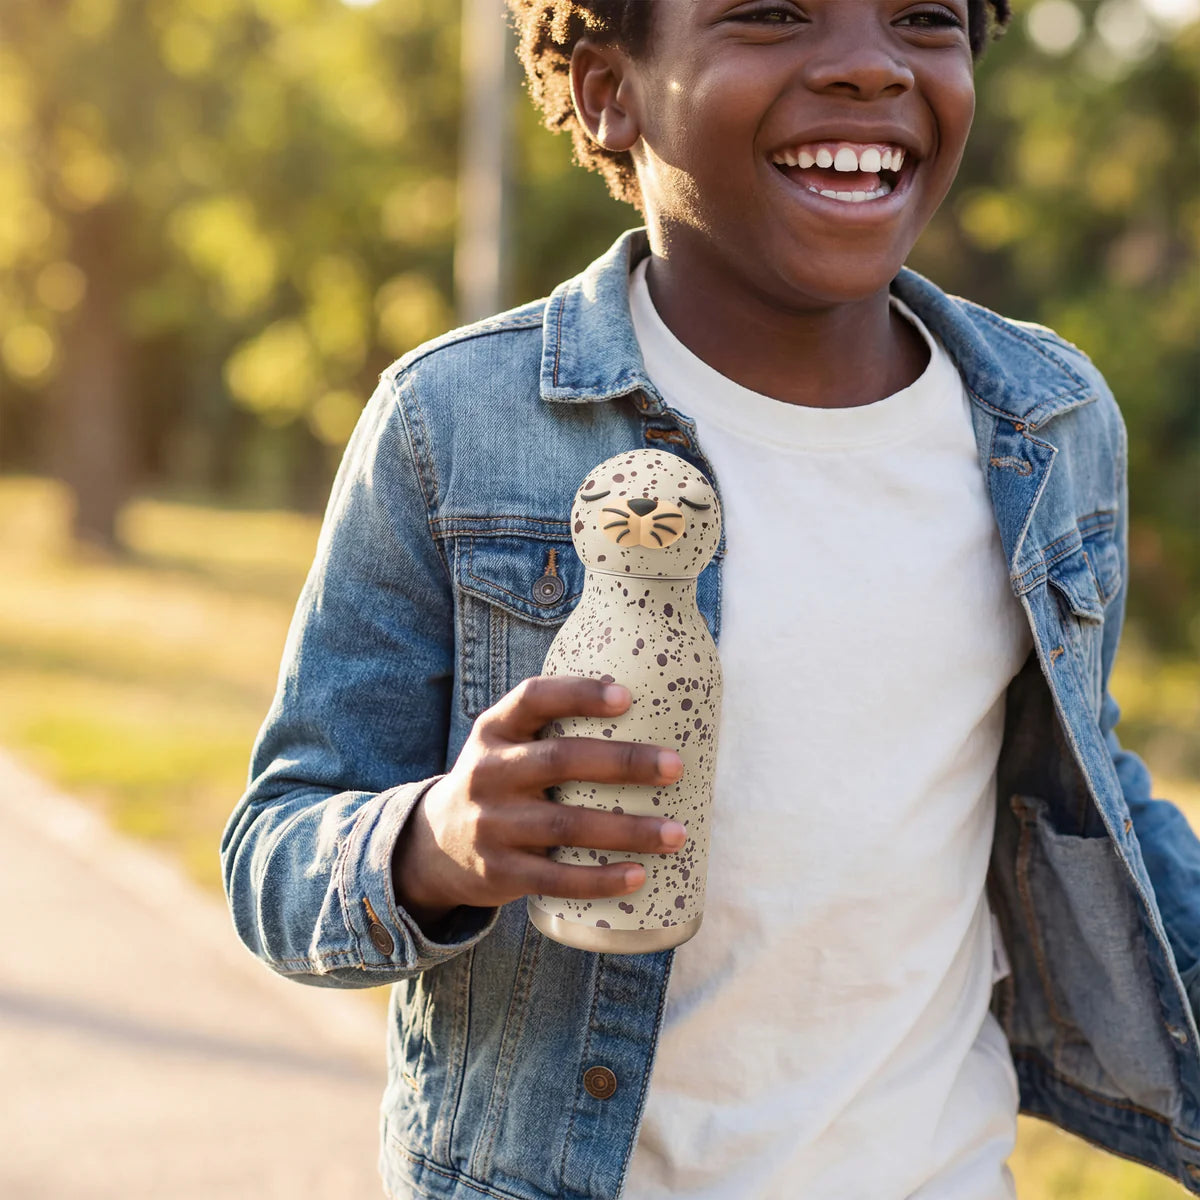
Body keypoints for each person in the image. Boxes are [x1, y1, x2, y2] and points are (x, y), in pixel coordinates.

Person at [220, 3, 1200, 1198]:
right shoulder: (452, 426)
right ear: (606, 93)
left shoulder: (1048, 423)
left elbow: (1087, 788)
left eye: (924, 19)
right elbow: (275, 851)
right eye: (773, 14)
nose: (868, 65)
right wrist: (438, 843)